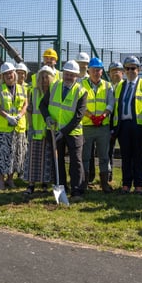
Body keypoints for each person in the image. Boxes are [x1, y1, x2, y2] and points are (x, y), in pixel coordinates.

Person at [40, 60, 88, 199]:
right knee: (57, 160)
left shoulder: (81, 92)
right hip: (53, 130)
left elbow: (78, 116)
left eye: (71, 75)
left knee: (76, 162)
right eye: (66, 74)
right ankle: (61, 188)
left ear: (76, 76)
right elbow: (43, 105)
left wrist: (64, 131)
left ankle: (77, 190)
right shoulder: (54, 86)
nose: (68, 77)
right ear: (63, 74)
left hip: (73, 132)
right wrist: (47, 117)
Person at [0, 62, 28, 191]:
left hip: (17, 128)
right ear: (2, 76)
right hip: (2, 129)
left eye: (11, 73)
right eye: (6, 74)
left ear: (15, 73)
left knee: (15, 155)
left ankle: (10, 179)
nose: (9, 75)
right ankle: (1, 180)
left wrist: (19, 116)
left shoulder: (23, 89)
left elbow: (25, 105)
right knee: (1, 156)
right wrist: (7, 117)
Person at [112, 56, 142, 195]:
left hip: (139, 126)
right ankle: (126, 184)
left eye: (133, 68)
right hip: (123, 126)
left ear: (139, 69)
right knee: (125, 156)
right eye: (127, 68)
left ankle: (139, 185)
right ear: (124, 71)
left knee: (137, 156)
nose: (130, 71)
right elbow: (114, 107)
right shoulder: (119, 86)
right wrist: (113, 127)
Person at [80, 57, 114, 193]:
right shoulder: (81, 84)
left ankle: (105, 183)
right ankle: (84, 183)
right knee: (85, 156)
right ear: (88, 70)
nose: (96, 72)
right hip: (87, 126)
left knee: (104, 156)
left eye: (98, 70)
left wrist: (103, 116)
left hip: (102, 127)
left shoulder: (107, 85)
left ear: (102, 71)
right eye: (93, 70)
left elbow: (111, 103)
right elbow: (79, 104)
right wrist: (91, 116)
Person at [23, 65, 56, 195]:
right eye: (41, 77)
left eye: (46, 77)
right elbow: (30, 111)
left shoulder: (54, 92)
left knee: (47, 159)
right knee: (33, 159)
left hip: (48, 131)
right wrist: (30, 127)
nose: (44, 80)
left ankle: (44, 183)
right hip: (36, 131)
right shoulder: (33, 92)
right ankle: (31, 184)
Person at [107, 61, 125, 180]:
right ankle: (109, 177)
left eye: (118, 70)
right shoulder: (107, 87)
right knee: (108, 152)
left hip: (123, 125)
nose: (115, 73)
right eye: (113, 71)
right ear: (109, 74)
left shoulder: (127, 86)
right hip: (109, 125)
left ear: (122, 73)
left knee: (126, 153)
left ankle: (127, 181)